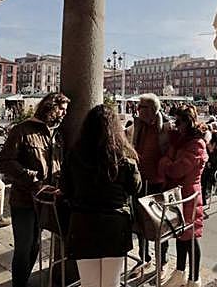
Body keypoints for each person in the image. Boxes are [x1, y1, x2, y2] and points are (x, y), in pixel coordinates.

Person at [62, 105, 141, 287]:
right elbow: (135, 188)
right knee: (110, 283)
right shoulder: (125, 158)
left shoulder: (74, 156)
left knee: (89, 283)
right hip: (114, 225)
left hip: (83, 223)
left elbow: (66, 189)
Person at [0, 92, 70, 287]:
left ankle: (24, 280)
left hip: (47, 199)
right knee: (23, 246)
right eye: (62, 109)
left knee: (35, 246)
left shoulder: (58, 133)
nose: (64, 114)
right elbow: (5, 162)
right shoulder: (22, 130)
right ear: (51, 107)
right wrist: (32, 177)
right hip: (24, 198)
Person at [159, 105, 208, 287]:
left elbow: (177, 170)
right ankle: (180, 271)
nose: (176, 125)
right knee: (181, 235)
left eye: (179, 122)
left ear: (188, 121)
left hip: (189, 196)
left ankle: (194, 279)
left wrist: (165, 161)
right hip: (180, 194)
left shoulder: (196, 144)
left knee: (191, 238)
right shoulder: (181, 141)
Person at [125, 93, 173, 277]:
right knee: (139, 223)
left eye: (141, 107)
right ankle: (144, 258)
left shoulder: (167, 128)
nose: (137, 111)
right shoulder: (136, 126)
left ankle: (163, 261)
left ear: (153, 109)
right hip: (139, 182)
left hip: (158, 184)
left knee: (159, 225)